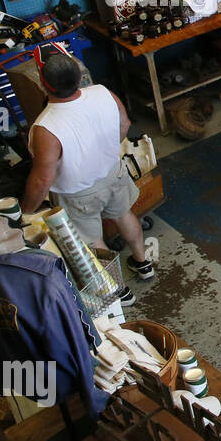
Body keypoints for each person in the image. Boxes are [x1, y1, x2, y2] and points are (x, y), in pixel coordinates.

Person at [22, 52, 153, 303]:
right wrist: (102, 152)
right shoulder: (103, 93)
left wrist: (26, 211)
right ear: (77, 76)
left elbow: (42, 179)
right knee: (124, 214)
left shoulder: (46, 127)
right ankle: (143, 262)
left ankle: (117, 290)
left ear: (43, 83)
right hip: (112, 172)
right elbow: (124, 125)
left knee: (92, 240)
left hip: (77, 191)